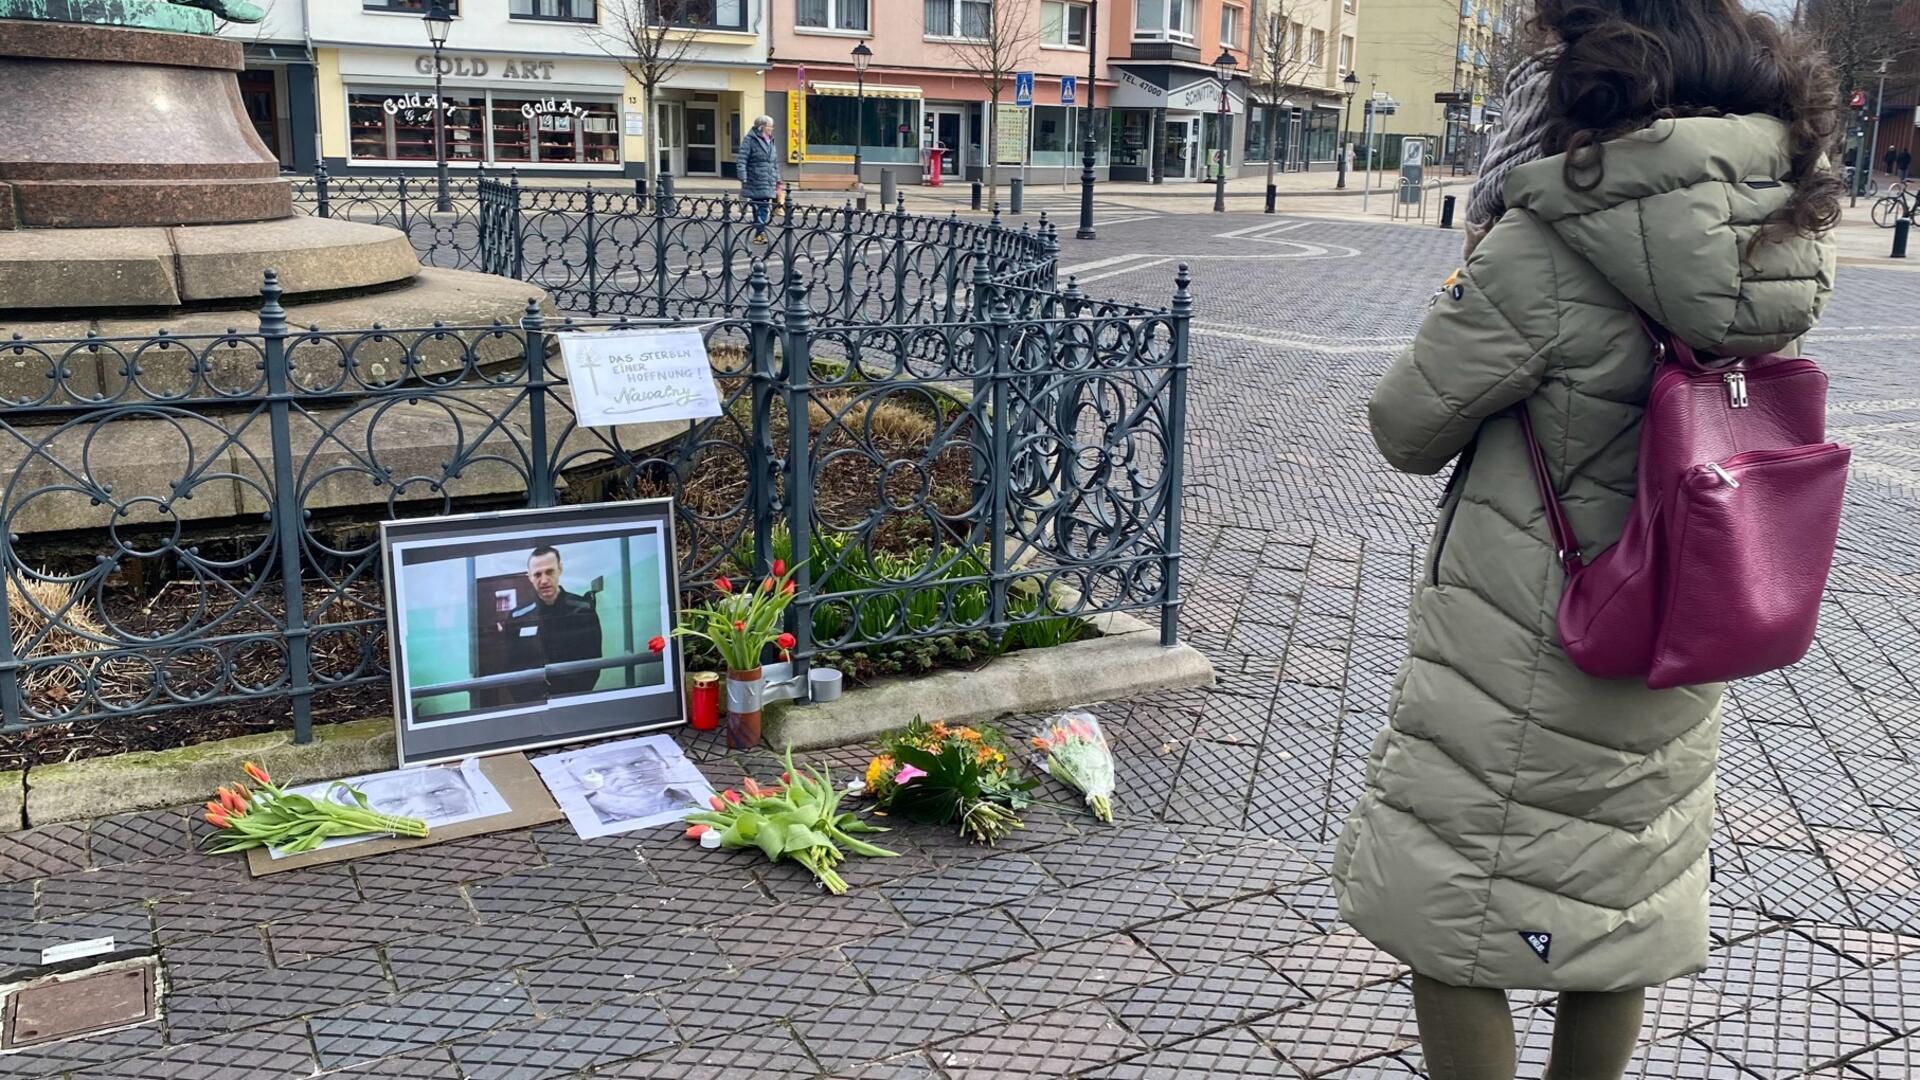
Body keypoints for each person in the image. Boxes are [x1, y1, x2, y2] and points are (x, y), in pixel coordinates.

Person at [1332, 3, 1839, 1079]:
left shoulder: (1544, 245)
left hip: (1526, 634)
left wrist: (1473, 272)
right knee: (1617, 916)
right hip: (1683, 622)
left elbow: (1405, 426)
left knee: (1456, 922)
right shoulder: (1781, 240)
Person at [496, 544, 603, 699]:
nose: (544, 580)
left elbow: (593, 661)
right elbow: (511, 666)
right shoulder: (517, 617)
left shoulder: (583, 610)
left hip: (574, 699)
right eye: (537, 574)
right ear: (530, 577)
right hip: (532, 703)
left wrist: (575, 696)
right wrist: (527, 700)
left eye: (549, 572)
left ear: (560, 569)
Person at [738, 114, 781, 245]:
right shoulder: (749, 140)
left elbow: (774, 163)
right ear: (761, 127)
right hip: (755, 178)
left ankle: (759, 231)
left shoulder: (771, 141)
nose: (771, 129)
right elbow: (742, 159)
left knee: (763, 206)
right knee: (761, 206)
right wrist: (742, 176)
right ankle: (759, 233)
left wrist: (778, 179)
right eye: (769, 126)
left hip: (768, 179)